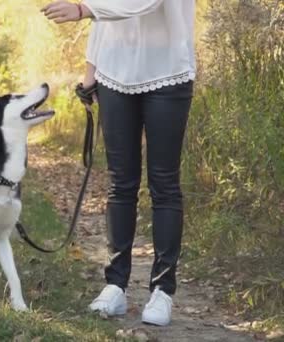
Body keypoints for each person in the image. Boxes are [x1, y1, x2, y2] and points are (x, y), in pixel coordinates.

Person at [42, 0, 196, 326]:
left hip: (166, 70)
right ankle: (115, 285)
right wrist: (89, 74)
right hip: (114, 72)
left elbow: (139, 3)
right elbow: (106, 12)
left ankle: (163, 290)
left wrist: (84, 9)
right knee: (120, 184)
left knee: (164, 184)